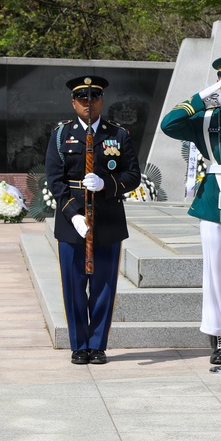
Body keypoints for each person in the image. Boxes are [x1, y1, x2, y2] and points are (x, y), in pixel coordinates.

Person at [160, 55, 221, 365]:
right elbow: (169, 124)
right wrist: (202, 97)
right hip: (213, 201)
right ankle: (218, 338)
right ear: (219, 83)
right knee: (215, 274)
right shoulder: (207, 116)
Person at [45, 75, 140, 365]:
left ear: (102, 101)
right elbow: (54, 179)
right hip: (71, 221)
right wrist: (73, 214)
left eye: (95, 98)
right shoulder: (61, 135)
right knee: (73, 286)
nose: (89, 103)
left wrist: (106, 184)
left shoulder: (119, 135)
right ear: (74, 102)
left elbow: (132, 175)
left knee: (103, 286)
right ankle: (79, 345)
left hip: (107, 219)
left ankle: (97, 345)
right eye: (83, 99)